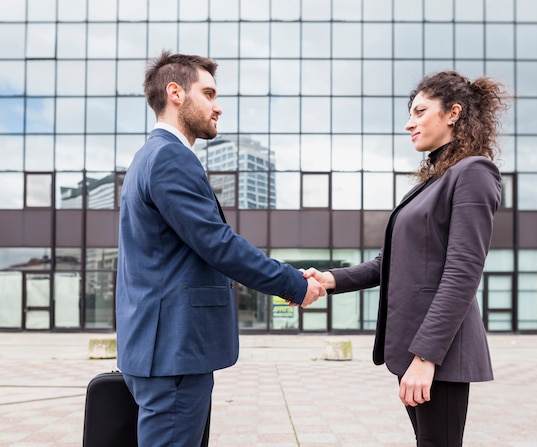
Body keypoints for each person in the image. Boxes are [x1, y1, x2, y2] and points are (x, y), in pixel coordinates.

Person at [115, 50, 326, 447]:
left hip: (163, 349)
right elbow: (218, 244)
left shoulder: (149, 157)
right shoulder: (168, 159)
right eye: (209, 94)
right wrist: (293, 284)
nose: (218, 107)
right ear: (175, 93)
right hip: (172, 353)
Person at [304, 71, 510, 446]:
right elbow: (388, 264)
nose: (408, 123)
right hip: (416, 349)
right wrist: (328, 279)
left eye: (419, 111)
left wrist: (426, 357)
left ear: (453, 113)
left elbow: (463, 273)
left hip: (437, 354)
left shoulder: (474, 173)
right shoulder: (434, 181)